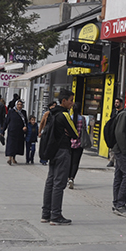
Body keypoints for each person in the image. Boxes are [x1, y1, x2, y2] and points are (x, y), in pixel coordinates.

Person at [41, 89, 78, 225]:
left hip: (52, 150)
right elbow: (75, 133)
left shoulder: (52, 112)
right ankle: (56, 215)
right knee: (59, 183)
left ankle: (46, 214)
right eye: (71, 100)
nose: (72, 103)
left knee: (50, 181)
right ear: (64, 101)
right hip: (62, 151)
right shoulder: (64, 114)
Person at [3, 99, 27, 165]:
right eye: (18, 104)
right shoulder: (11, 111)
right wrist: (3, 130)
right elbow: (7, 121)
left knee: (16, 145)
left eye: (21, 105)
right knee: (11, 145)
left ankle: (14, 158)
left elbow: (25, 122)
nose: (19, 106)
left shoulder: (23, 112)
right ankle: (9, 158)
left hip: (19, 132)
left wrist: (25, 127)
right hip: (12, 131)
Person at [67, 103, 85, 190]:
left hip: (70, 143)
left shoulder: (69, 118)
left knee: (69, 161)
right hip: (79, 143)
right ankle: (72, 178)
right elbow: (84, 130)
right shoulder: (82, 119)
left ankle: (67, 177)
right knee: (75, 162)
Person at [106, 97, 124, 168]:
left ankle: (117, 161)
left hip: (119, 131)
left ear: (121, 103)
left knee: (118, 147)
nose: (116, 104)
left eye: (117, 102)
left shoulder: (123, 112)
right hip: (112, 131)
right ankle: (111, 160)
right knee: (112, 147)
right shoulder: (114, 111)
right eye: (115, 102)